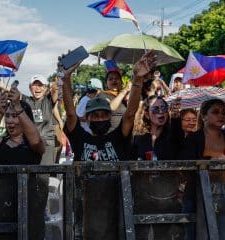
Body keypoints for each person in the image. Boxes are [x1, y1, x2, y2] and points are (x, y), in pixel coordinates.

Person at [60, 50, 156, 239]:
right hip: (86, 207)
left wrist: (137, 79)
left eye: (104, 114)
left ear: (110, 116)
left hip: (117, 205)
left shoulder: (119, 137)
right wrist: (66, 78)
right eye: (95, 116)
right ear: (87, 118)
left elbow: (130, 112)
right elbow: (71, 114)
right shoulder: (80, 138)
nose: (100, 118)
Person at [0, 86, 45, 240]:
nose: (10, 121)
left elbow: (36, 141)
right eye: (7, 116)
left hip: (29, 207)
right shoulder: (0, 141)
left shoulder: (34, 145)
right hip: (0, 207)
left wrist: (18, 105)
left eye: (15, 116)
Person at [181, 99, 225, 240]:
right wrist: (211, 162)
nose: (221, 116)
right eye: (215, 112)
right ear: (204, 115)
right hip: (198, 194)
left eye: (223, 112)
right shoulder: (193, 138)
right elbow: (186, 164)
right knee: (195, 234)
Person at [131, 95, 184, 239]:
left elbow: (179, 140)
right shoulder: (139, 139)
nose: (161, 112)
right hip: (142, 198)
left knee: (163, 236)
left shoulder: (172, 137)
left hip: (167, 199)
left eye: (163, 108)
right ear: (147, 114)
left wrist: (176, 117)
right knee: (139, 235)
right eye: (155, 109)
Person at [99, 60, 131, 131]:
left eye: (117, 78)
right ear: (106, 84)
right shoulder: (102, 95)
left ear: (121, 82)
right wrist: (124, 91)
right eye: (110, 79)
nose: (114, 80)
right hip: (110, 132)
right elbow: (110, 108)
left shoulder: (127, 94)